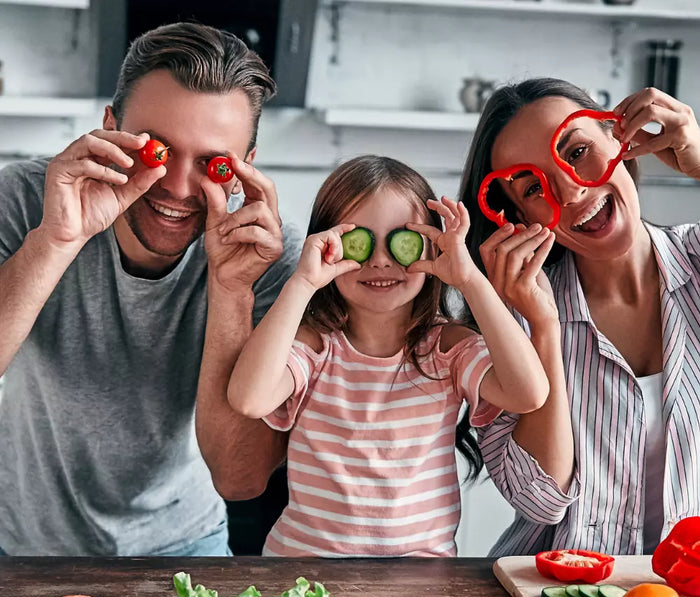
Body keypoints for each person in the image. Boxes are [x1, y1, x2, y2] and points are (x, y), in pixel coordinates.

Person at [0, 22, 302, 555]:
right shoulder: (29, 201)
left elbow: (240, 478)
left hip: (187, 545)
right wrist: (55, 241)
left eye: (214, 165)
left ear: (245, 168)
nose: (179, 189)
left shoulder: (270, 257)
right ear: (110, 126)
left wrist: (231, 290)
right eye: (156, 151)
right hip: (23, 543)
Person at [227, 155, 550, 556]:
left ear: (432, 247)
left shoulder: (446, 348)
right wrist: (302, 281)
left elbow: (529, 393)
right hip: (303, 572)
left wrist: (469, 278)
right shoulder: (315, 346)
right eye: (358, 242)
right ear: (326, 245)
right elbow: (248, 398)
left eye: (401, 241)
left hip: (416, 581)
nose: (380, 259)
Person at [460, 77, 700, 556]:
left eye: (575, 152)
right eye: (533, 188)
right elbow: (541, 501)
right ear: (518, 218)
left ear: (620, 137)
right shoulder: (510, 321)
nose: (569, 193)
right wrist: (544, 328)